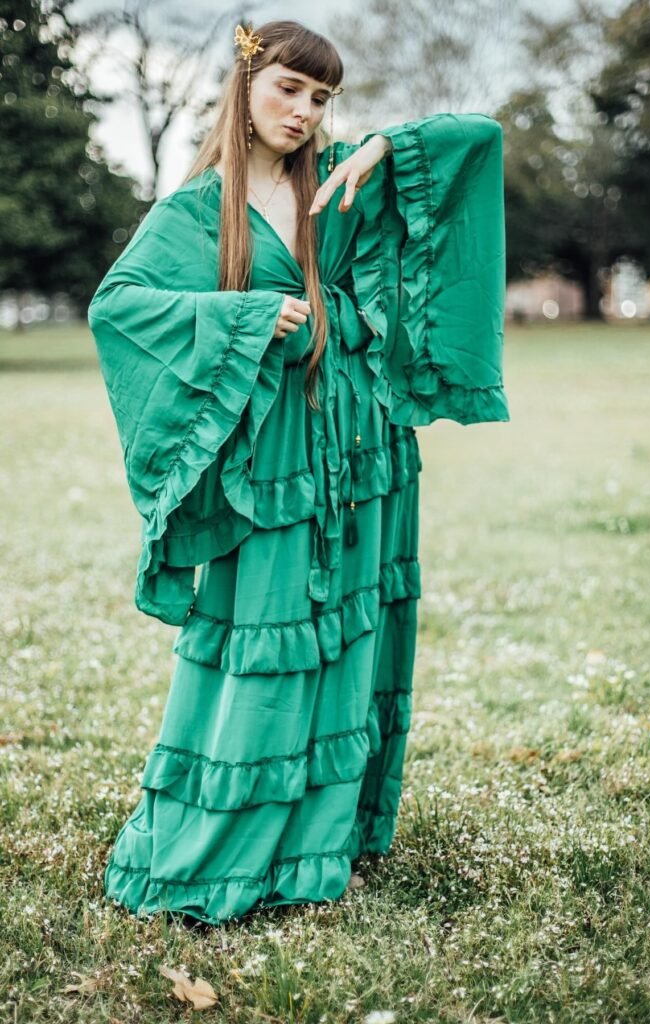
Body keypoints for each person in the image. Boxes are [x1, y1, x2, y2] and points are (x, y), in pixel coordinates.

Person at [88, 19, 509, 926]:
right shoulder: (195, 210)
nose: (304, 111)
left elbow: (479, 141)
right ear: (243, 85)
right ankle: (222, 851)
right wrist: (241, 318)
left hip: (370, 449)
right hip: (274, 468)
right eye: (287, 88)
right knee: (265, 647)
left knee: (352, 643)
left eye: (321, 98)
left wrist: (388, 147)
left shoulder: (341, 182)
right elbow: (119, 309)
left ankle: (323, 842)